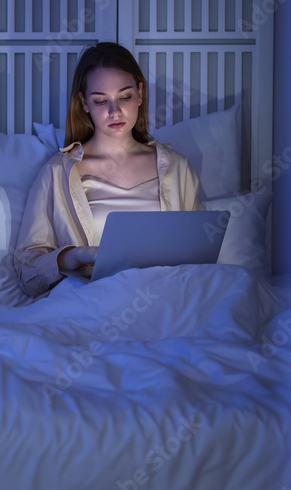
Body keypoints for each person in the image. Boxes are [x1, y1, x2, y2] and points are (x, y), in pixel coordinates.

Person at [14, 42, 203, 299]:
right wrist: (75, 256)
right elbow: (29, 272)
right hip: (91, 300)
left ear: (140, 93)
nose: (115, 112)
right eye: (101, 101)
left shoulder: (177, 168)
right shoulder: (58, 172)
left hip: (164, 298)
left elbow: (201, 255)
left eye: (125, 97)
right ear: (84, 103)